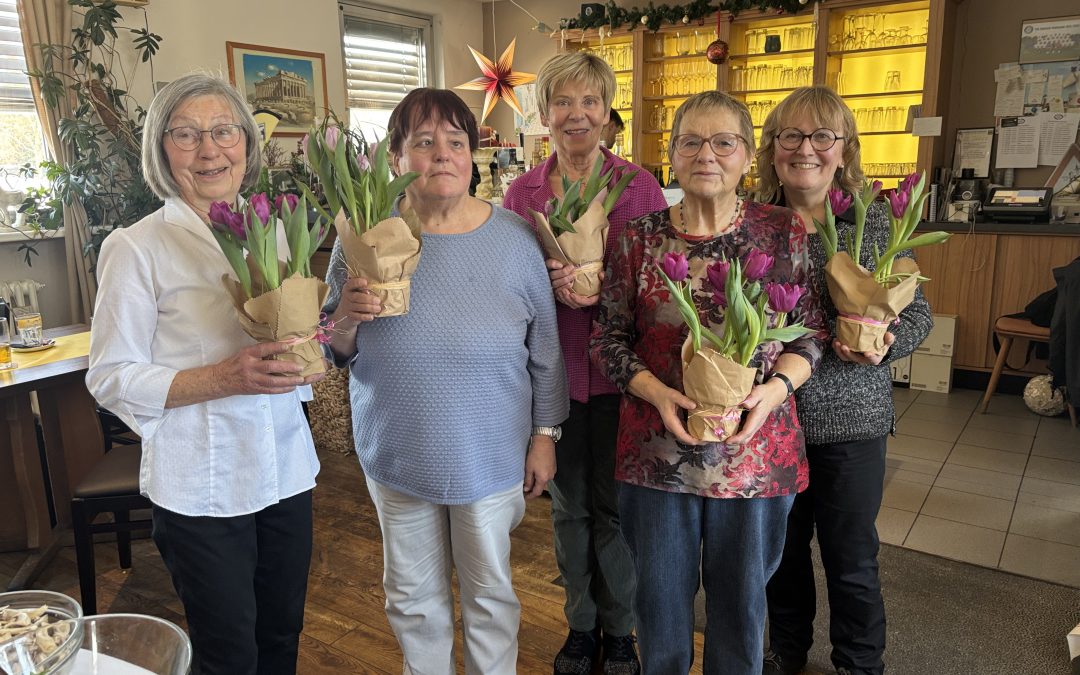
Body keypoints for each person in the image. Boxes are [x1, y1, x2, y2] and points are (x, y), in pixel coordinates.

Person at [322, 87, 568, 675]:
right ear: (397, 156)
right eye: (424, 142)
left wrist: (544, 435)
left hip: (489, 453)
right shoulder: (362, 235)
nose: (442, 155)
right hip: (397, 449)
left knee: (489, 594)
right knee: (411, 597)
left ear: (473, 153)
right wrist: (346, 317)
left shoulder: (514, 238)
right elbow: (332, 348)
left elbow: (547, 351)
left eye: (456, 142)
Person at [86, 73, 323, 675]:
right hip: (202, 486)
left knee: (281, 636)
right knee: (228, 655)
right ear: (162, 151)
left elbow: (294, 339)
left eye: (224, 131)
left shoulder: (271, 227)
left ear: (247, 142)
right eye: (186, 135)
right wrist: (223, 378)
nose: (210, 149)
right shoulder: (137, 246)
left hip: (287, 470)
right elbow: (110, 375)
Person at [590, 90, 827, 675]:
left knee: (741, 615)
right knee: (661, 611)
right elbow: (606, 339)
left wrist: (770, 395)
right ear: (672, 153)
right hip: (656, 453)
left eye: (724, 142)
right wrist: (657, 392)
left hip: (756, 453)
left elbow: (811, 335)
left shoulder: (783, 232)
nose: (707, 155)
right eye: (691, 141)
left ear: (749, 155)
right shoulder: (637, 238)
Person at [755, 85, 933, 675]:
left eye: (822, 136)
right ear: (773, 148)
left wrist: (885, 347)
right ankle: (788, 652)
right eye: (791, 135)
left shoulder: (877, 221)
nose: (806, 149)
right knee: (781, 557)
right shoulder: (754, 223)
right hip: (770, 421)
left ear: (844, 148)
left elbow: (919, 314)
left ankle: (860, 664)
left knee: (852, 557)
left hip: (851, 422)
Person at [502, 50, 666, 675]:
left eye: (589, 102)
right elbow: (511, 292)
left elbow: (658, 285)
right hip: (556, 380)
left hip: (627, 379)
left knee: (616, 509)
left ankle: (620, 630)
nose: (577, 115)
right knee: (569, 509)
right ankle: (581, 624)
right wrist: (550, 282)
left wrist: (607, 286)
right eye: (563, 103)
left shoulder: (639, 186)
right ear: (544, 116)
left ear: (606, 112)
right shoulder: (523, 193)